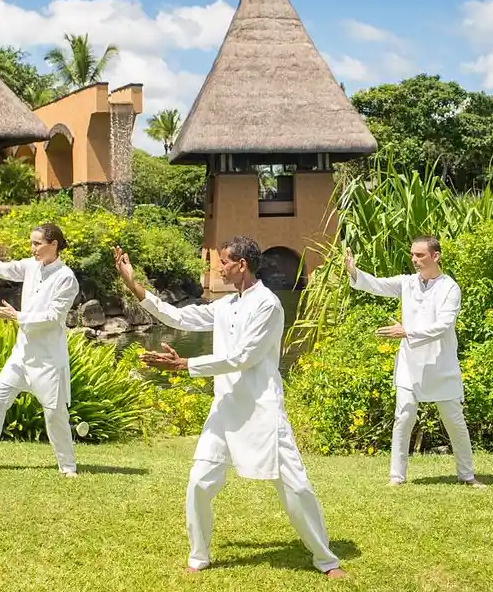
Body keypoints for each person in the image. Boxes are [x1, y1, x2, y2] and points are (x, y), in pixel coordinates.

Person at [113, 238, 345, 579]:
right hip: (224, 409)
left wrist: (185, 365)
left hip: (262, 410)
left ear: (242, 265)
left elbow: (243, 358)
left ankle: (326, 559)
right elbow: (179, 317)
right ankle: (199, 555)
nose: (219, 267)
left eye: (224, 261)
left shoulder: (268, 305)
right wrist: (135, 285)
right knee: (199, 481)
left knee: (296, 487)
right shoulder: (225, 305)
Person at [344, 236, 484, 488]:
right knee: (404, 415)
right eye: (412, 255)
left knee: (454, 420)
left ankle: (467, 475)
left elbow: (443, 326)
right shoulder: (407, 283)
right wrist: (354, 271)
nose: (414, 260)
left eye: (419, 255)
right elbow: (377, 285)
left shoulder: (450, 288)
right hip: (410, 365)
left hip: (441, 365)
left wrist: (407, 332)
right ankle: (396, 477)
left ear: (436, 256)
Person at [0, 219, 81, 476]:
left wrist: (17, 316)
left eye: (37, 243)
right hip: (22, 355)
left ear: (54, 244)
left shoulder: (66, 278)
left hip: (48, 359)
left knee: (54, 413)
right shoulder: (30, 266)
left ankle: (68, 467)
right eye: (32, 243)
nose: (33, 248)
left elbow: (53, 316)